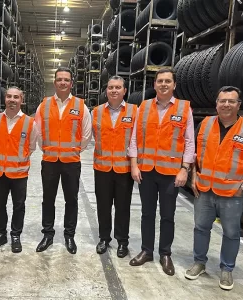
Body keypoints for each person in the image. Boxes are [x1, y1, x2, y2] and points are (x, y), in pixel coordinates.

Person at [185, 86, 243, 290]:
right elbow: (193, 153)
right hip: (203, 189)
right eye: (222, 101)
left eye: (231, 101)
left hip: (232, 193)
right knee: (201, 228)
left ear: (238, 105)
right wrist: (193, 177)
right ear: (216, 104)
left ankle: (227, 269)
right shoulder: (205, 124)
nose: (226, 105)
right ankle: (199, 263)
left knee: (231, 233)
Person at [128, 68, 195, 276]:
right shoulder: (145, 107)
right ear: (154, 84)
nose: (163, 84)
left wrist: (185, 169)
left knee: (168, 216)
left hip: (170, 173)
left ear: (174, 85)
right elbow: (134, 139)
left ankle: (165, 253)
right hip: (146, 171)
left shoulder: (184, 109)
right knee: (147, 214)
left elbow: (190, 142)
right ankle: (146, 251)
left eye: (168, 81)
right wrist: (134, 165)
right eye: (160, 81)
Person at [34, 66, 92, 254]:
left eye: (66, 80)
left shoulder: (80, 106)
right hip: (50, 160)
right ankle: (48, 234)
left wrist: (75, 150)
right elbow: (38, 132)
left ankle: (69, 235)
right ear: (55, 82)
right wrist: (49, 149)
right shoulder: (44, 105)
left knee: (71, 199)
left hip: (71, 162)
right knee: (48, 199)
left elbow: (86, 134)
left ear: (71, 83)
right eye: (59, 79)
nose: (63, 82)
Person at [0, 87, 37, 253]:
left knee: (19, 205)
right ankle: (1, 234)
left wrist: (18, 159)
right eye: (9, 96)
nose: (12, 100)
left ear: (21, 100)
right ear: (4, 99)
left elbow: (31, 147)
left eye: (16, 97)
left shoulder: (30, 122)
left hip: (19, 173)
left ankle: (16, 235)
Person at [92, 76, 137, 258]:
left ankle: (122, 241)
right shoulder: (96, 112)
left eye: (118, 87)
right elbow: (93, 136)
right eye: (111, 87)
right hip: (102, 168)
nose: (114, 91)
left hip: (124, 169)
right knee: (103, 206)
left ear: (125, 91)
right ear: (106, 90)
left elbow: (136, 139)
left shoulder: (135, 111)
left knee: (122, 207)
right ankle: (104, 238)